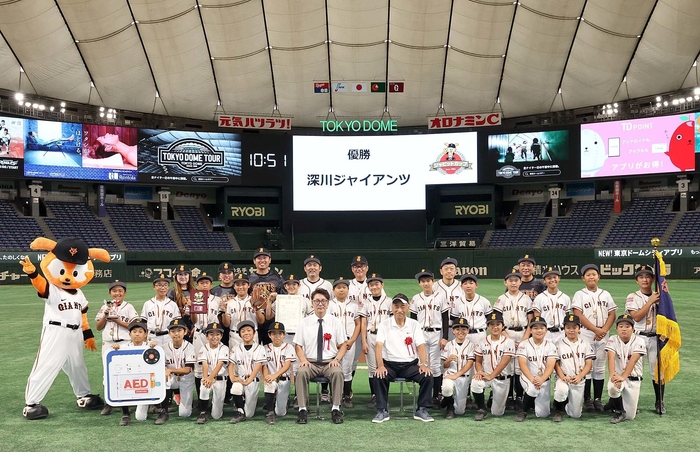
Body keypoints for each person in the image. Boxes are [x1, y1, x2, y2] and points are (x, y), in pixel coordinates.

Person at [373, 293, 434, 423]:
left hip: (410, 365)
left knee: (427, 376)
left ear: (408, 308)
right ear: (392, 308)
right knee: (378, 376)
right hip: (390, 365)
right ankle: (382, 410)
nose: (399, 310)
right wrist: (380, 366)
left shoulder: (414, 324)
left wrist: (423, 364)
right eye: (396, 306)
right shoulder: (384, 324)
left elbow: (421, 345)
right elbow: (378, 346)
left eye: (402, 306)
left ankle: (421, 409)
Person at [293, 288, 347, 425]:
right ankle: (302, 409)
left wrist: (337, 359)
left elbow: (343, 345)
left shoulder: (336, 322)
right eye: (317, 301)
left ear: (328, 303)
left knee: (337, 372)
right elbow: (298, 345)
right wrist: (303, 360)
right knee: (301, 372)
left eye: (323, 301)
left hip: (329, 362)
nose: (320, 304)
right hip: (310, 363)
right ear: (312, 303)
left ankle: (336, 408)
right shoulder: (304, 322)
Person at [571, 264, 617, 412]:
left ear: (599, 277)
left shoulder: (606, 294)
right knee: (587, 366)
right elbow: (578, 314)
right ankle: (587, 399)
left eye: (594, 274)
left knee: (600, 367)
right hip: (586, 333)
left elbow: (612, 314)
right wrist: (596, 330)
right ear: (583, 278)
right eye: (588, 275)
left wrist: (603, 330)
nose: (591, 277)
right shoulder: (579, 294)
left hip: (603, 333)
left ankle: (597, 399)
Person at [625, 264, 664, 414]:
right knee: (635, 371)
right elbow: (636, 317)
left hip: (655, 337)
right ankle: (633, 403)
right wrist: (650, 301)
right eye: (641, 277)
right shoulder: (632, 297)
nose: (645, 279)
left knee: (658, 371)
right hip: (638, 337)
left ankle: (659, 402)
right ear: (637, 280)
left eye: (648, 276)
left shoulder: (660, 296)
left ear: (653, 279)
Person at [94, 280, 138, 416]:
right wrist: (105, 315)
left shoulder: (129, 307)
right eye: (114, 291)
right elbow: (98, 327)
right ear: (110, 293)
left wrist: (118, 321)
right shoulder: (105, 307)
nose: (117, 293)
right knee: (108, 373)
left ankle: (128, 400)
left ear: (125, 293)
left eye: (120, 291)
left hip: (125, 343)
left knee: (127, 372)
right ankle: (109, 403)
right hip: (108, 344)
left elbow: (135, 326)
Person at [410, 269, 449, 408]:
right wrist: (414, 338)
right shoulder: (416, 298)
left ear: (433, 281)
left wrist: (445, 337)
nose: (426, 283)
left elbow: (445, 318)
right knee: (423, 364)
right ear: (419, 283)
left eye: (428, 281)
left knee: (436, 366)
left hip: (436, 333)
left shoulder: (441, 296)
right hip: (421, 333)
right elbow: (413, 320)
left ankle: (436, 395)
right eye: (423, 281)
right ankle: (425, 395)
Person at [493, 270, 531, 410]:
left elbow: (531, 320)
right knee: (508, 365)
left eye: (516, 280)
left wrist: (525, 338)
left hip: (523, 333)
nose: (513, 283)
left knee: (520, 366)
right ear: (505, 282)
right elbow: (497, 320)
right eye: (510, 280)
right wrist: (507, 337)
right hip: (506, 332)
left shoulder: (526, 299)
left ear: (520, 282)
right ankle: (509, 397)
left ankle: (519, 396)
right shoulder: (501, 299)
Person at [472, 312, 515, 421]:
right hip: (486, 376)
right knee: (475, 383)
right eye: (492, 324)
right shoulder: (482, 342)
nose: (495, 327)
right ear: (487, 326)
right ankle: (481, 409)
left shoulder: (509, 342)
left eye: (498, 324)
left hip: (502, 379)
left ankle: (493, 396)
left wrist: (492, 375)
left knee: (497, 413)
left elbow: (504, 363)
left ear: (503, 326)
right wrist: (479, 372)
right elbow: (478, 361)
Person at [112, 319, 154, 426]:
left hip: (145, 384)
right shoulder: (124, 348)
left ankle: (155, 404)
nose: (137, 334)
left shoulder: (150, 346)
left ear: (146, 334)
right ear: (129, 334)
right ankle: (125, 414)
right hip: (130, 382)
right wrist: (116, 348)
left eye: (140, 331)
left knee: (140, 417)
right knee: (120, 383)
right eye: (134, 332)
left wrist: (155, 347)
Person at [552, 314, 594, 422]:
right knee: (561, 390)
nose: (571, 330)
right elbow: (556, 364)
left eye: (574, 327)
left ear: (579, 329)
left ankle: (566, 404)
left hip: (578, 380)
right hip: (564, 378)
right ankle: (559, 410)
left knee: (576, 415)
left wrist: (580, 376)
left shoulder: (585, 344)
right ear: (564, 329)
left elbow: (589, 364)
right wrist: (562, 376)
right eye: (568, 327)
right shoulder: (559, 344)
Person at [606, 314, 647, 424]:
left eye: (627, 326)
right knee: (612, 388)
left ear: (633, 329)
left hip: (633, 378)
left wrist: (623, 377)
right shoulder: (612, 339)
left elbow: (633, 360)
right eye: (621, 326)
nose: (624, 329)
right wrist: (613, 376)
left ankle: (614, 402)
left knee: (630, 416)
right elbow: (611, 358)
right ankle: (619, 411)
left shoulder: (639, 341)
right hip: (618, 376)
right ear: (616, 329)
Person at [515, 316, 557, 422]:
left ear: (546, 330)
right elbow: (522, 364)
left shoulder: (551, 346)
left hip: (544, 379)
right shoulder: (524, 344)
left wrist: (541, 379)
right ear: (530, 330)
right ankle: (523, 410)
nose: (539, 331)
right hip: (528, 377)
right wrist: (533, 379)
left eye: (542, 328)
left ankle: (531, 401)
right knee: (533, 389)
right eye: (535, 328)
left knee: (543, 414)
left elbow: (550, 366)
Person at [156, 318, 197, 424]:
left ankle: (183, 398)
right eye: (173, 331)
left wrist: (170, 370)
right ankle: (164, 411)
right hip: (172, 377)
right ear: (169, 333)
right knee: (164, 380)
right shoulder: (164, 348)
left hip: (186, 378)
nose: (176, 334)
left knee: (184, 413)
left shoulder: (190, 347)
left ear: (185, 332)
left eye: (179, 330)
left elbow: (187, 369)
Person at [359, 273, 392, 408]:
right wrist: (364, 341)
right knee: (372, 369)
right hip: (371, 336)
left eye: (376, 284)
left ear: (382, 285)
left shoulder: (389, 301)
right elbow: (363, 323)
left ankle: (384, 395)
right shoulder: (366, 303)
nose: (374, 287)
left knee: (384, 367)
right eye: (371, 285)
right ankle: (374, 395)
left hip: (385, 338)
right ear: (368, 287)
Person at [329, 276, 361, 408]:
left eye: (344, 287)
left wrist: (352, 340)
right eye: (338, 287)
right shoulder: (329, 305)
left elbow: (358, 324)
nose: (341, 290)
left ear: (348, 289)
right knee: (333, 368)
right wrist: (333, 341)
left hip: (349, 341)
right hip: (333, 342)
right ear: (333, 290)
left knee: (347, 369)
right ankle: (334, 395)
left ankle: (346, 396)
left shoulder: (354, 305)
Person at [191, 272, 223, 401]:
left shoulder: (217, 300)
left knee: (214, 363)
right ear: (197, 285)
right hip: (199, 333)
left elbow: (221, 319)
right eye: (201, 283)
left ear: (211, 284)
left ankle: (217, 398)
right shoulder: (195, 298)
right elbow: (193, 320)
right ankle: (202, 400)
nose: (204, 285)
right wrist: (192, 308)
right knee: (199, 366)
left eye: (207, 283)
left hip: (213, 335)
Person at [228, 320, 266, 423]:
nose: (246, 333)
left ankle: (243, 402)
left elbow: (258, 365)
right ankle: (240, 411)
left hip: (253, 380)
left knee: (249, 414)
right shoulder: (236, 348)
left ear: (254, 332)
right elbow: (230, 365)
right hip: (241, 379)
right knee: (235, 388)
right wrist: (232, 378)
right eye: (243, 331)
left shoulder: (260, 348)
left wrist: (249, 380)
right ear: (240, 334)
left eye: (249, 330)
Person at [249, 248, 286, 345]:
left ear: (269, 260)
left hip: (272, 321)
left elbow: (285, 298)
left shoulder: (277, 278)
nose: (262, 260)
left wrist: (278, 296)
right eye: (259, 258)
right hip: (255, 320)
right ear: (254, 261)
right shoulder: (249, 279)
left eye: (264, 258)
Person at [440, 317, 475, 419]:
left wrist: (456, 375)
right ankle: (449, 406)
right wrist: (448, 360)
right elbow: (445, 365)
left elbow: (470, 363)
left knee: (460, 411)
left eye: (463, 329)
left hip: (464, 377)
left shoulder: (471, 345)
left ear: (467, 331)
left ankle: (446, 400)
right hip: (450, 374)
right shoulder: (449, 345)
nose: (460, 332)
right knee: (446, 388)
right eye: (457, 329)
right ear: (453, 331)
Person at [262, 321, 295, 424]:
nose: (277, 336)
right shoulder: (265, 348)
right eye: (274, 334)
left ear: (284, 335)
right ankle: (270, 413)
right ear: (269, 335)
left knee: (281, 413)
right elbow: (264, 365)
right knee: (269, 385)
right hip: (271, 379)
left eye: (280, 333)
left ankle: (280, 402)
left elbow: (287, 365)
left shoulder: (289, 347)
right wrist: (266, 377)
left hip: (284, 380)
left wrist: (274, 375)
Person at [196, 322, 229, 424]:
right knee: (204, 387)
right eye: (211, 334)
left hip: (220, 379)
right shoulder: (203, 348)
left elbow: (220, 364)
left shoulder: (224, 348)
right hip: (208, 377)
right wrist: (206, 378)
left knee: (216, 416)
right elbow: (204, 364)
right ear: (206, 336)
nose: (214, 337)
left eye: (217, 334)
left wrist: (210, 378)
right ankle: (203, 411)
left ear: (221, 336)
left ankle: (213, 407)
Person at [532, 267, 571, 345]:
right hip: (545, 334)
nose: (552, 280)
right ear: (544, 280)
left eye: (554, 277)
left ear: (559, 278)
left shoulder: (565, 298)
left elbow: (567, 318)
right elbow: (537, 318)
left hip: (561, 333)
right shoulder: (539, 298)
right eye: (549, 278)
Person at [222, 274, 261, 347]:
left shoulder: (255, 300)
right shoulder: (230, 303)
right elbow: (226, 324)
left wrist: (257, 309)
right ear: (234, 286)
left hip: (252, 335)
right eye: (237, 285)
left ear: (248, 285)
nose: (240, 287)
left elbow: (261, 321)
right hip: (235, 336)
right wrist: (224, 312)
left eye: (243, 284)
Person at [142, 274, 181, 347]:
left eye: (165, 285)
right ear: (154, 287)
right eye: (159, 285)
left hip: (168, 337)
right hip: (152, 337)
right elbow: (144, 322)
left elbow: (177, 323)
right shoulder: (148, 304)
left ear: (168, 287)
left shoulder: (173, 304)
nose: (162, 288)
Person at [167, 265, 194, 341]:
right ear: (176, 277)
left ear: (189, 276)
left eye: (185, 274)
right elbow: (170, 314)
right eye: (180, 274)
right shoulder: (171, 293)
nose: (183, 277)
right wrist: (182, 327)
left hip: (193, 329)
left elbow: (199, 313)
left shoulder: (195, 291)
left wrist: (195, 327)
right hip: (177, 329)